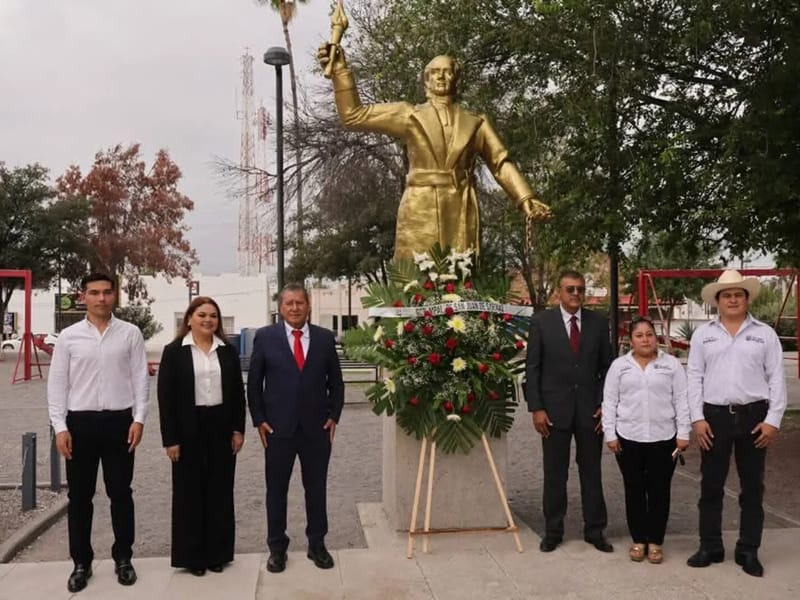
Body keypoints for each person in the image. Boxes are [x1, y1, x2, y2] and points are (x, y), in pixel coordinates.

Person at [319, 46, 550, 259]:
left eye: (447, 72)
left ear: (456, 79)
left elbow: (500, 163)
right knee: (415, 277)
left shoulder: (477, 123)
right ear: (426, 80)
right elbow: (354, 115)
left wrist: (525, 198)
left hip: (460, 204)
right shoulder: (409, 115)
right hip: (421, 203)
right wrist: (340, 71)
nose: (440, 76)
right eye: (435, 72)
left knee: (461, 277)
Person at [47, 273, 149, 593]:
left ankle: (123, 559)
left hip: (120, 423)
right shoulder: (69, 337)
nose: (101, 298)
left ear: (114, 296)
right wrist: (60, 426)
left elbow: (140, 379)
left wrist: (139, 419)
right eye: (94, 293)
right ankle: (81, 563)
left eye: (106, 292)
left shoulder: (130, 334)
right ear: (84, 296)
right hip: (80, 425)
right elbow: (57, 384)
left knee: (121, 493)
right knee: (79, 497)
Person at [686, 270, 786, 577]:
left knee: (752, 487)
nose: (732, 299)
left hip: (754, 417)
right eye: (726, 295)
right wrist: (697, 418)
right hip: (714, 418)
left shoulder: (764, 334)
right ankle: (710, 545)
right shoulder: (704, 335)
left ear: (746, 299)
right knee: (711, 485)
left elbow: (777, 377)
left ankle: (748, 550)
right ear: (717, 301)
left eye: (738, 295)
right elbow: (694, 376)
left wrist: (773, 421)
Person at [247, 284, 345, 573]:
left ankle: (317, 544)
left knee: (316, 489)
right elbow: (254, 383)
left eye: (299, 302)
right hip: (278, 429)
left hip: (317, 429)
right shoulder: (265, 338)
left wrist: (334, 415)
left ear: (308, 305)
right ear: (280, 307)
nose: (294, 308)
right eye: (288, 303)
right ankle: (277, 548)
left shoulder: (326, 339)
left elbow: (336, 383)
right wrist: (258, 419)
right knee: (276, 490)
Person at [525, 270, 613, 553]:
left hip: (590, 412)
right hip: (553, 412)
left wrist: (604, 404)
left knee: (591, 472)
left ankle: (595, 530)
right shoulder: (541, 323)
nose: (576, 294)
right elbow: (533, 369)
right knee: (554, 473)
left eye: (580, 290)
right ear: (558, 293)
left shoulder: (599, 323)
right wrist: (536, 408)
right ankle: (553, 531)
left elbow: (607, 368)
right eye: (570, 289)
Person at [157, 296, 246, 576]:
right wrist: (170, 439)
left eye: (213, 316)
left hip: (220, 424)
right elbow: (165, 398)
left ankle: (217, 554)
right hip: (187, 427)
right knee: (188, 493)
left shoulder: (227, 352)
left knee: (220, 491)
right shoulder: (174, 352)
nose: (208, 320)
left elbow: (237, 394)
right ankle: (193, 556)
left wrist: (238, 429)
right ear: (189, 319)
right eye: (202, 315)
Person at [602, 317, 690, 564]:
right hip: (628, 438)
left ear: (656, 337)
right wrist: (610, 434)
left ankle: (656, 542)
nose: (645, 339)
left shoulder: (671, 365)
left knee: (660, 491)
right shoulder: (620, 366)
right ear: (630, 340)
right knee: (635, 490)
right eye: (639, 335)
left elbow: (682, 400)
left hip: (664, 438)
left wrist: (683, 433)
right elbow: (609, 401)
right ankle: (639, 540)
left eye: (649, 334)